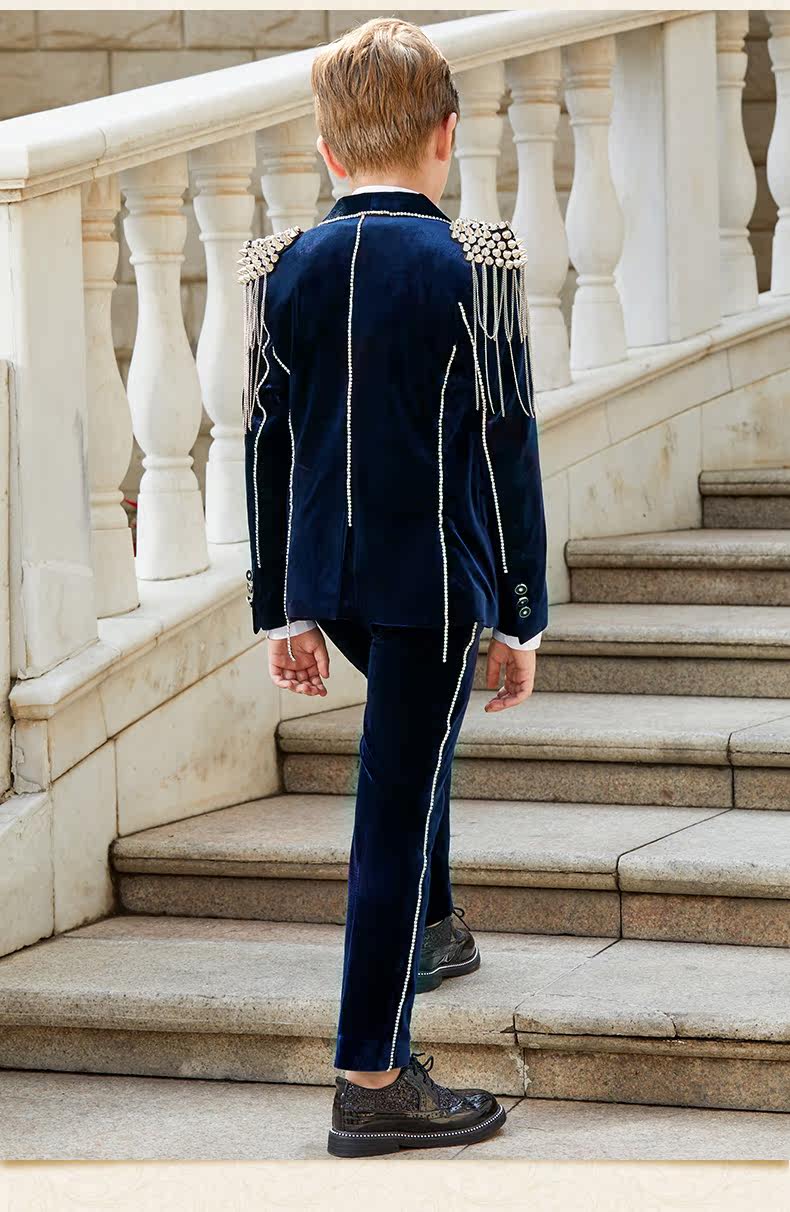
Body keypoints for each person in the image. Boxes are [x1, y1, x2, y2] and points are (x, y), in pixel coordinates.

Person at [239, 16, 548, 1158]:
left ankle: (435, 923)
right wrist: (520, 614)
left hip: (334, 581)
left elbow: (265, 442)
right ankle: (371, 1076)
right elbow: (506, 442)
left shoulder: (283, 267)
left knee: (409, 762)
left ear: (327, 150)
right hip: (436, 587)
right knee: (392, 810)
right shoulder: (475, 264)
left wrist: (282, 605)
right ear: (446, 137)